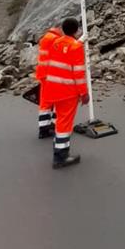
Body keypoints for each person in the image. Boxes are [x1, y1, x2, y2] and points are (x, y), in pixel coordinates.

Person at [44, 17, 90, 169]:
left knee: (59, 121)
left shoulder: (55, 43)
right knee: (64, 123)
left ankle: (58, 147)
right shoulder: (75, 47)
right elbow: (78, 73)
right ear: (77, 31)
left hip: (52, 89)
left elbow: (65, 52)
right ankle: (61, 157)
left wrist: (80, 41)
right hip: (67, 92)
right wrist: (84, 93)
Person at [35, 25, 62, 138]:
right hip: (53, 74)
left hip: (43, 74)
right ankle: (55, 125)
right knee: (59, 100)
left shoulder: (45, 38)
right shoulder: (55, 39)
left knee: (45, 102)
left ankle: (43, 128)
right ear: (59, 29)